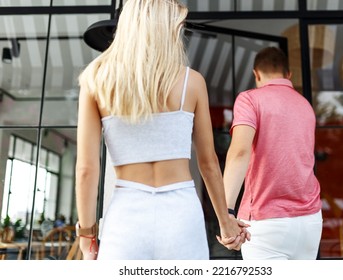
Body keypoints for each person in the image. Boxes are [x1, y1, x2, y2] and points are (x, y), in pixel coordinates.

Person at [75, 0, 248, 260]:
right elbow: (209, 163)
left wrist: (87, 235)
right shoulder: (192, 81)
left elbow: (86, 170)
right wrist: (226, 223)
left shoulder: (96, 79)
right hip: (181, 216)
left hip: (126, 219)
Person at [222, 46, 323, 259]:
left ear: (256, 74)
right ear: (289, 75)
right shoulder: (305, 105)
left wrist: (227, 212)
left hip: (266, 221)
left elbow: (240, 152)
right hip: (311, 221)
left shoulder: (249, 99)